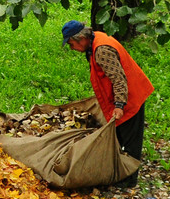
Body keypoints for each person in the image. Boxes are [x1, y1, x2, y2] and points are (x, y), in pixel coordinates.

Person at [61, 20, 154, 188]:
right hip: (126, 95)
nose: (71, 48)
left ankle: (129, 179)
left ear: (81, 38)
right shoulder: (96, 40)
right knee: (120, 136)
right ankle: (119, 170)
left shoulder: (102, 50)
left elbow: (118, 79)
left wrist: (119, 105)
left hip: (130, 97)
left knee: (130, 139)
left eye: (71, 43)